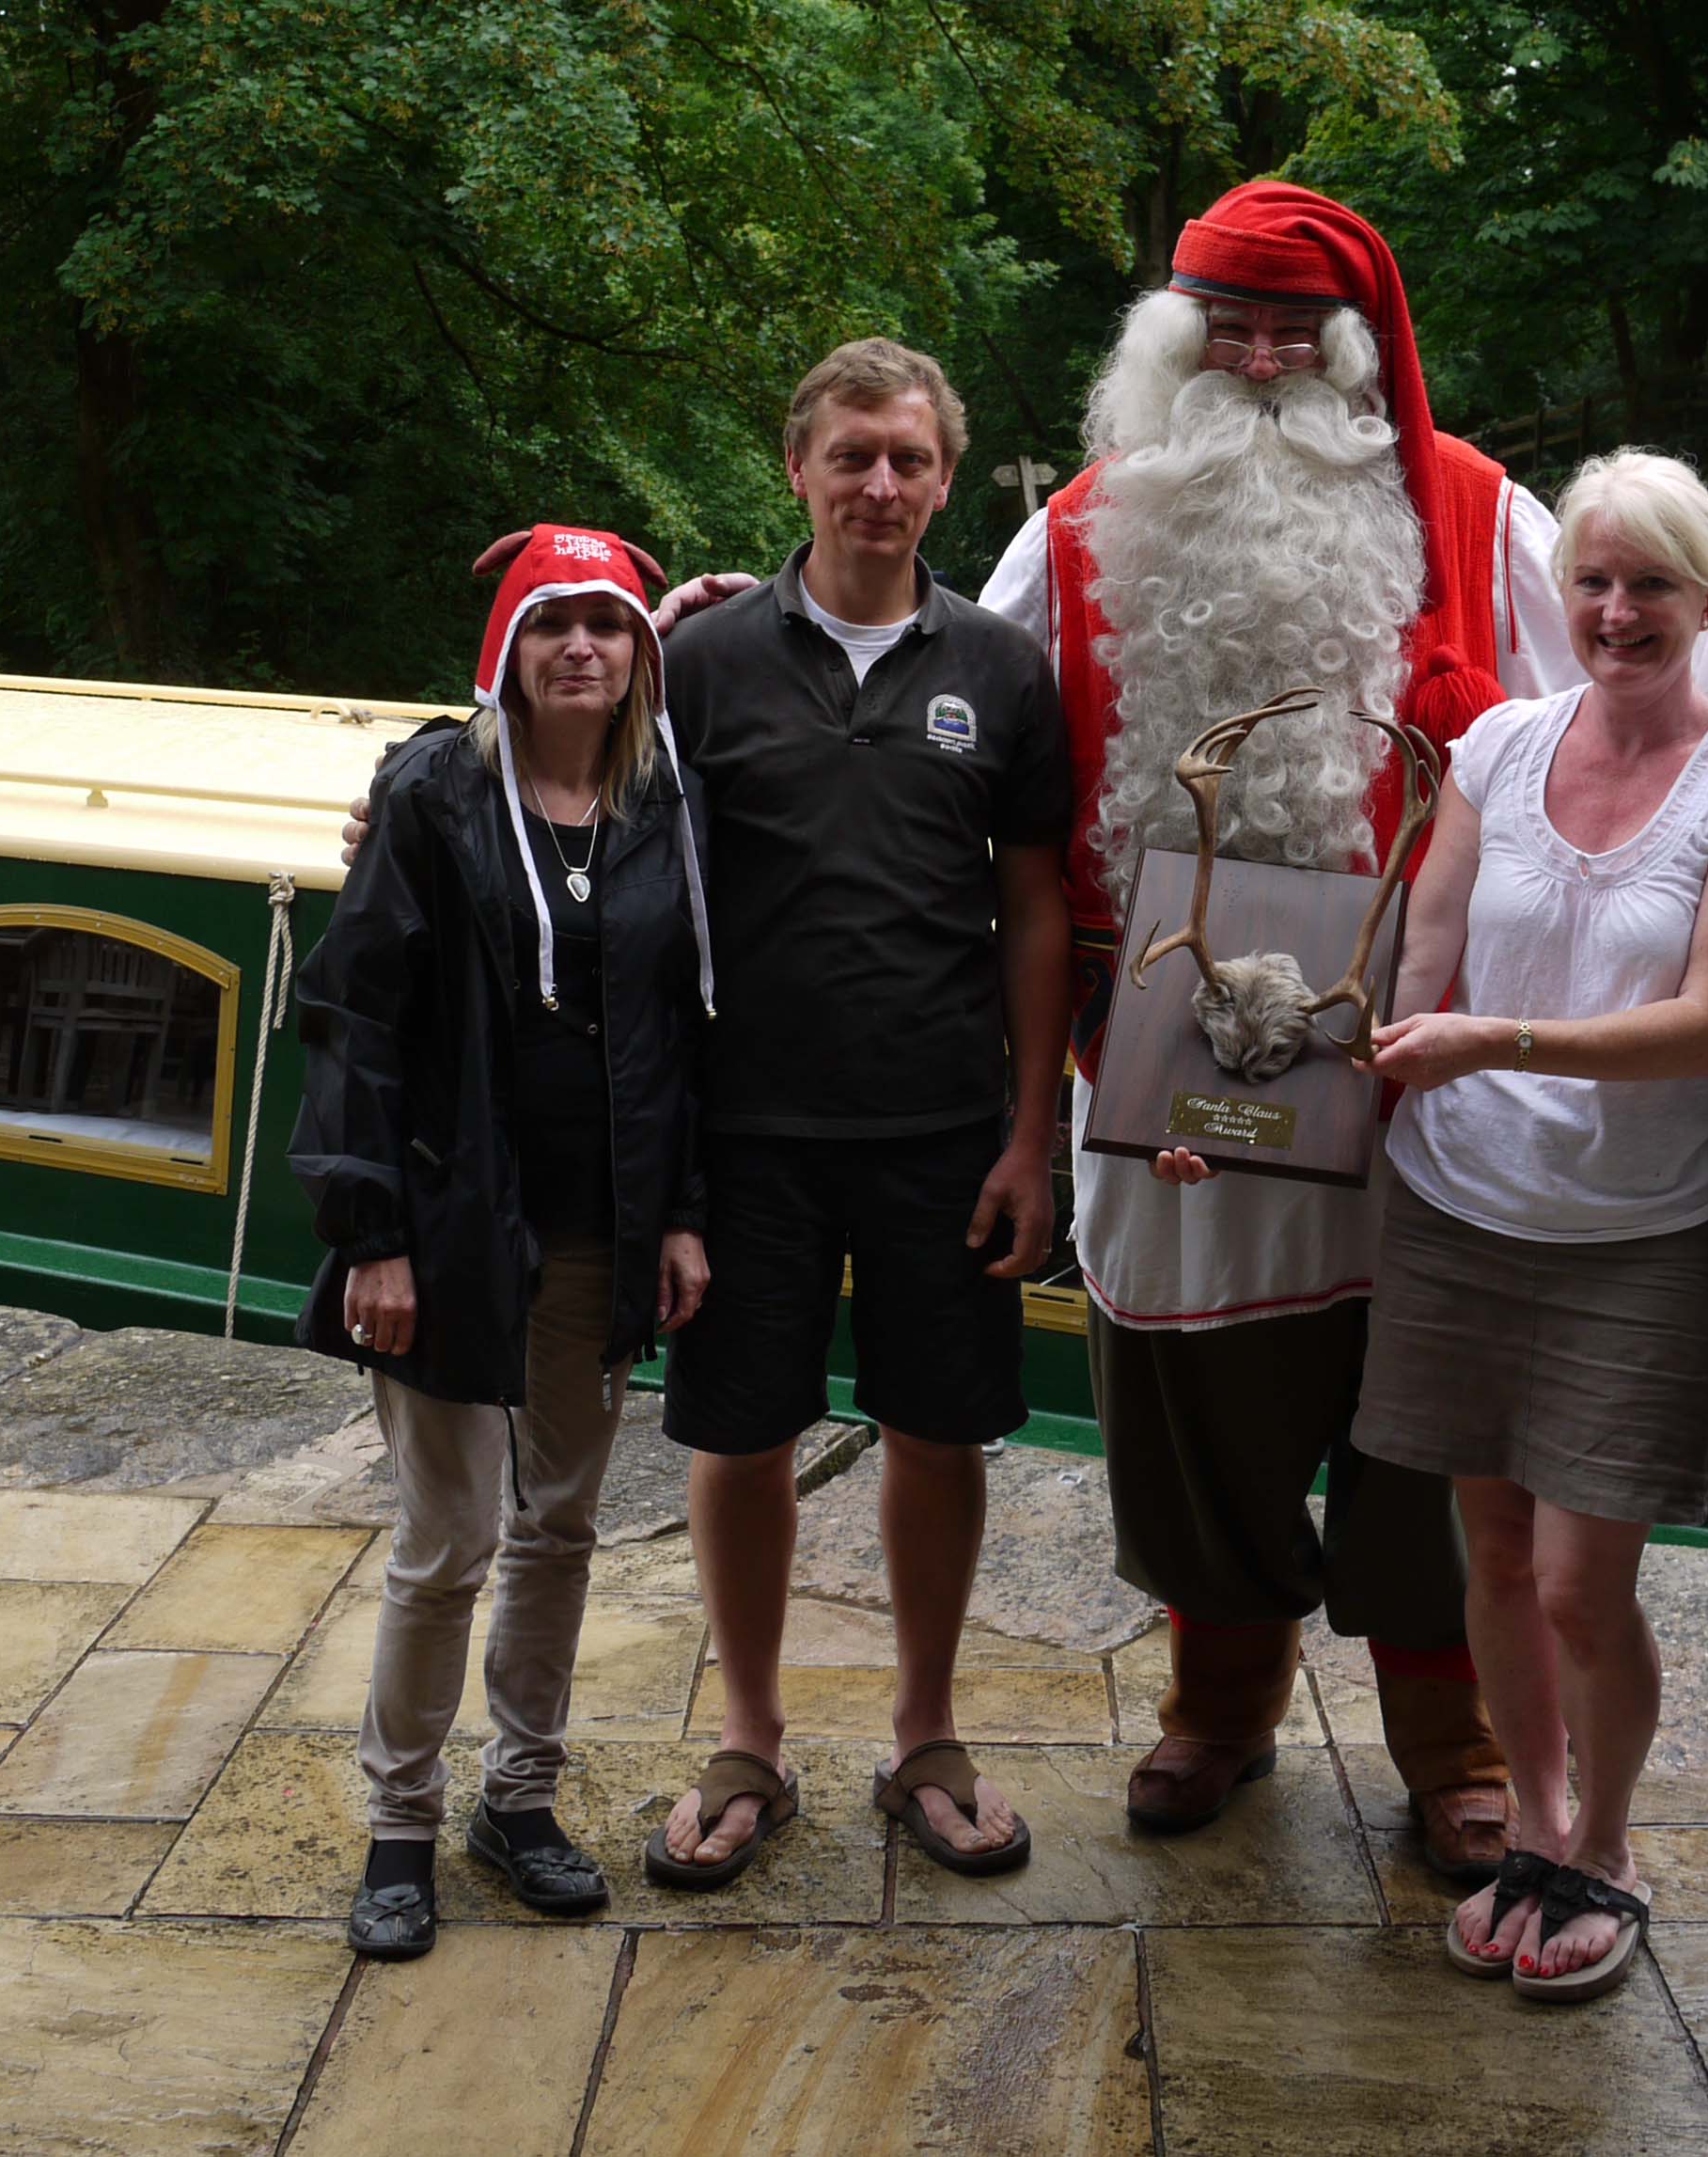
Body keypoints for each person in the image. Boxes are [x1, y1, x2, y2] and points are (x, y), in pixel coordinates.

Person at [963, 181, 1708, 1878]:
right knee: (1191, 1407)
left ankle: (1448, 1739)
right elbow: (949, 712)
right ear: (1172, 339)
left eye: (1291, 330)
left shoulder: (1468, 509)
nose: (1255, 358)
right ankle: (1218, 1704)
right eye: (1224, 327)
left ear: (1358, 346)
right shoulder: (1081, 527)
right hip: (1165, 1084)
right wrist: (757, 641)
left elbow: (1651, 656)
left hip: (1410, 1083)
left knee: (1427, 1416)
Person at [1353, 450, 1708, 2002]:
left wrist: (1494, 1043)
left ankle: (1610, 1845)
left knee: (1578, 1580)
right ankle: (1535, 1828)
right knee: (1490, 1548)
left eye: (1652, 586)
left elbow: (1706, 1029)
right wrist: (1284, 1121)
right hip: (1460, 1206)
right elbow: (1423, 952)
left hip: (1636, 1230)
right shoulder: (1494, 743)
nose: (1618, 611)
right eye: (1594, 583)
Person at [641, 339, 1071, 1886]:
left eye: (908, 458)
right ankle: (749, 1737)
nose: (880, 484)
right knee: (740, 1433)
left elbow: (1035, 912)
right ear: (797, 467)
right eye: (852, 455)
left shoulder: (1003, 672)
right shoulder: (695, 666)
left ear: (945, 477)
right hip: (743, 1130)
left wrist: (1034, 1136)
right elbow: (572, 813)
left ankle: (925, 1735)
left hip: (942, 1127)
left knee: (936, 1428)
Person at [291, 524, 716, 1960]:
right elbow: (357, 1018)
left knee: (561, 1528)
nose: (581, 647)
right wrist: (374, 1238)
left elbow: (680, 1032)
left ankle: (517, 1798)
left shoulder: (665, 806)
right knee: (447, 1537)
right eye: (553, 623)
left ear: (641, 653)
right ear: (509, 651)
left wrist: (681, 1212)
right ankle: (400, 1821)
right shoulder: (432, 793)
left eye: (609, 623)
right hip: (452, 1223)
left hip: (601, 1229)